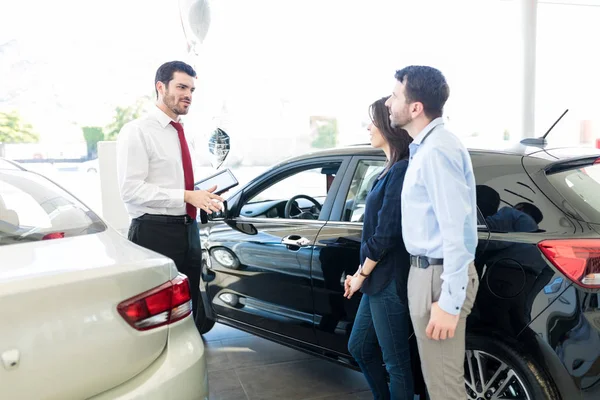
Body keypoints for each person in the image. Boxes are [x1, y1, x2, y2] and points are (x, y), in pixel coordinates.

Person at [385, 65, 479, 400]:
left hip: (438, 277)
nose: (388, 104)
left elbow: (457, 231)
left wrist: (449, 302)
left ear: (415, 107)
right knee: (439, 384)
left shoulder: (438, 149)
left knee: (445, 390)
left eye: (395, 96)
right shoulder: (427, 147)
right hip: (428, 273)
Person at [116, 60, 224, 320]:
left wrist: (199, 195)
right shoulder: (138, 131)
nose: (188, 95)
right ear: (160, 87)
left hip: (189, 230)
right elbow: (130, 190)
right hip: (154, 234)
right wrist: (186, 195)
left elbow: (173, 183)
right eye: (181, 87)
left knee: (189, 308)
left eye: (192, 90)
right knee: (156, 316)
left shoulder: (182, 132)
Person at [344, 96, 414, 400]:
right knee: (359, 347)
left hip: (387, 280)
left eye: (373, 120)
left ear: (387, 126)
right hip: (376, 280)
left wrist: (360, 274)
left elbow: (387, 233)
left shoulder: (401, 170)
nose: (369, 127)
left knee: (396, 363)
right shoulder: (388, 169)